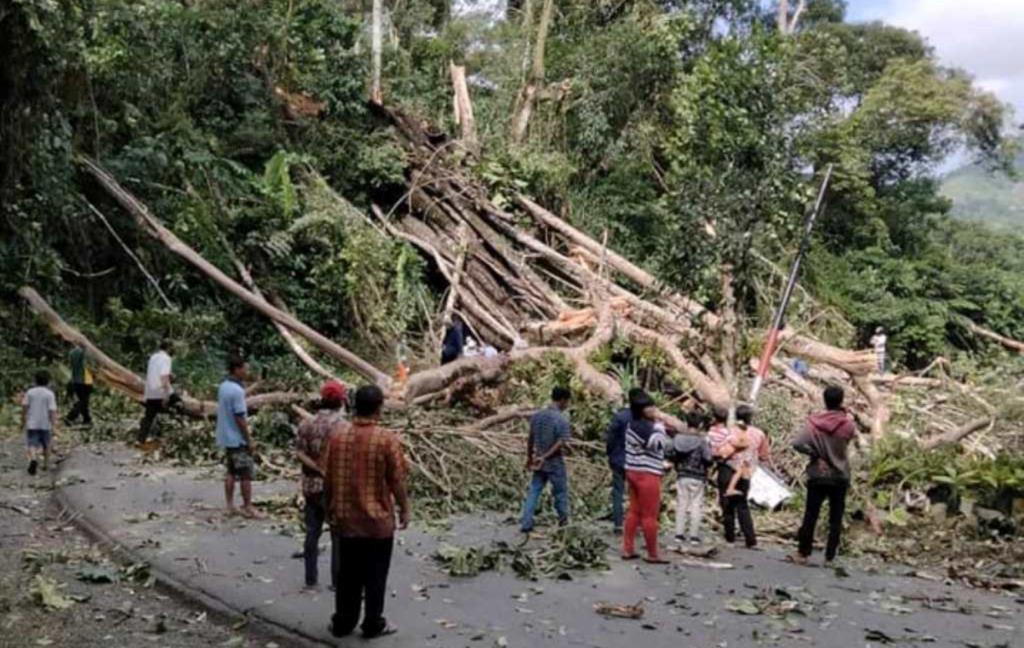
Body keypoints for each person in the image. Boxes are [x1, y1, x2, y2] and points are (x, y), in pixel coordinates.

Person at [323, 384, 409, 639]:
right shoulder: (386, 439)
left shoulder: (338, 437)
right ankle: (372, 624)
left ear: (353, 406)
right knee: (375, 576)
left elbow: (328, 478)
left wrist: (329, 508)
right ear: (379, 408)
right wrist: (405, 507)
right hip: (377, 523)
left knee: (347, 575)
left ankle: (343, 622)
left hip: (346, 520)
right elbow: (397, 479)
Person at [790, 386, 857, 566]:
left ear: (824, 400)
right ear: (841, 400)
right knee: (835, 517)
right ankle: (830, 557)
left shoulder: (814, 423)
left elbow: (797, 443)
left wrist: (813, 452)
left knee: (811, 514)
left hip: (818, 473)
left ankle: (803, 553)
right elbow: (848, 440)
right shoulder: (848, 424)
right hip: (840, 474)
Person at [294, 379, 347, 590]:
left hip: (310, 486)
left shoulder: (306, 423)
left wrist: (315, 467)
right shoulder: (343, 427)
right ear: (341, 401)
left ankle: (310, 578)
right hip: (334, 488)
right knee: (338, 535)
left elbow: (298, 452)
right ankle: (337, 581)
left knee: (312, 531)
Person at [622, 393, 673, 563]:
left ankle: (627, 549)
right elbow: (659, 444)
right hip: (647, 473)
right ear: (642, 410)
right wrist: (660, 426)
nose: (654, 409)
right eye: (650, 407)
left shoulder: (632, 424)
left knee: (634, 511)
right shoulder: (646, 428)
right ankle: (652, 553)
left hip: (632, 470)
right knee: (650, 515)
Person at [713, 404, 770, 548]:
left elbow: (718, 450)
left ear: (736, 416)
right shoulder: (759, 434)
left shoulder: (730, 432)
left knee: (727, 504)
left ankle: (730, 538)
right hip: (745, 472)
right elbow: (764, 456)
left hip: (727, 468)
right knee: (742, 505)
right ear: (751, 417)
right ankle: (750, 540)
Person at [520, 386, 572, 534]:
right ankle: (563, 522)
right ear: (562, 400)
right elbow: (561, 441)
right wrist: (546, 456)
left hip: (538, 462)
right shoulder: (561, 419)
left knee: (534, 491)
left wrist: (530, 457)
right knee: (560, 492)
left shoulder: (537, 416)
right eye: (567, 401)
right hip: (554, 462)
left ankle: (526, 522)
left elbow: (530, 438)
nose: (567, 405)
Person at [216, 355, 263, 519]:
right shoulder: (236, 391)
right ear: (237, 369)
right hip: (237, 438)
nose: (247, 371)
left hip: (226, 437)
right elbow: (240, 418)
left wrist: (256, 386)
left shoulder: (224, 386)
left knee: (231, 471)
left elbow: (239, 397)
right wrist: (249, 440)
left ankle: (229, 505)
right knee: (245, 473)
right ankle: (248, 506)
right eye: (245, 368)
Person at [605, 388, 646, 534]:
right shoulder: (643, 418)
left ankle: (618, 524)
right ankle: (637, 524)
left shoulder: (620, 416)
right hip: (637, 461)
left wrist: (609, 454)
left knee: (618, 492)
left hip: (618, 459)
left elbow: (610, 438)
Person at [669, 411, 712, 545]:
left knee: (681, 504)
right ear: (699, 424)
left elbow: (670, 452)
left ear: (686, 423)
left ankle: (679, 534)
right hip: (698, 476)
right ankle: (693, 536)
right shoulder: (702, 441)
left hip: (682, 475)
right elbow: (708, 458)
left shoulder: (677, 438)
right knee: (695, 506)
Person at [138, 339, 176, 445]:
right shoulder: (166, 358)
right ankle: (167, 437)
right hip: (160, 391)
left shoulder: (153, 357)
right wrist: (167, 395)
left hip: (150, 391)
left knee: (149, 417)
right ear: (169, 348)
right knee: (178, 406)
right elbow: (164, 378)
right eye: (172, 348)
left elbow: (154, 373)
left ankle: (140, 439)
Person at [22, 370, 58, 475]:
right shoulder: (49, 394)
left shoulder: (30, 392)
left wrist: (23, 419)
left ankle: (33, 459)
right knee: (46, 444)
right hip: (45, 423)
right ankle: (46, 465)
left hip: (32, 423)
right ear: (48, 382)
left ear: (35, 380)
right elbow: (52, 410)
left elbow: (24, 407)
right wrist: (54, 424)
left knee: (32, 443)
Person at [64, 344, 93, 427]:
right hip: (85, 379)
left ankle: (87, 419)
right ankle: (70, 417)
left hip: (75, 379)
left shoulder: (72, 352)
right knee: (83, 401)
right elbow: (89, 365)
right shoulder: (85, 352)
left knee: (83, 400)